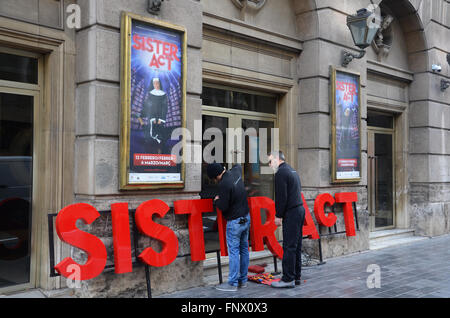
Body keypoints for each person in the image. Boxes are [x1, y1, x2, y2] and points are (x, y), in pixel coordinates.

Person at [206, 163, 250, 292]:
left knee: (234, 252)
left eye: (214, 178)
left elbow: (223, 206)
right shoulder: (236, 172)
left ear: (216, 176)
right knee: (244, 250)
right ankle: (243, 280)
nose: (215, 181)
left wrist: (216, 200)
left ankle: (232, 283)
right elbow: (238, 166)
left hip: (235, 221)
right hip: (246, 218)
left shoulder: (224, 184)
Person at [268, 151, 305, 288]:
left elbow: (281, 197)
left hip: (292, 212)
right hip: (299, 210)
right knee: (296, 245)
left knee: (289, 246)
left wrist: (278, 216)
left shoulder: (281, 173)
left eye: (270, 161)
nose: (270, 164)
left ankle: (288, 278)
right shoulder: (291, 170)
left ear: (278, 159)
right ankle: (296, 277)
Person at [138, 77, 168, 147]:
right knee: (152, 132)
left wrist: (161, 119)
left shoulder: (163, 94)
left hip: (160, 116)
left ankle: (160, 146)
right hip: (152, 116)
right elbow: (149, 106)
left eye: (157, 83)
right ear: (153, 84)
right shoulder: (150, 94)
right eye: (154, 83)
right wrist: (152, 117)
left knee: (160, 131)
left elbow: (164, 107)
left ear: (159, 84)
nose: (156, 85)